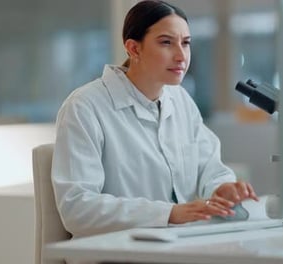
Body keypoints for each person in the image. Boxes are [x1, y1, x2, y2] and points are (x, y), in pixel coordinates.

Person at [51, 0, 259, 239]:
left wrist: (222, 188)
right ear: (134, 48)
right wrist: (169, 213)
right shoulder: (85, 107)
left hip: (178, 244)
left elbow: (209, 167)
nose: (181, 55)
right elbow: (77, 209)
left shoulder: (180, 99)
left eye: (186, 43)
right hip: (114, 250)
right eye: (166, 43)